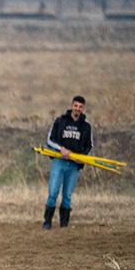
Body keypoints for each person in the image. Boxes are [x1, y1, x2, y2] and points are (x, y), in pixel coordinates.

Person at [42, 95, 93, 230]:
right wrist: (61, 149)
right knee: (53, 192)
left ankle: (64, 224)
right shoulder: (60, 121)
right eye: (75, 106)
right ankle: (47, 222)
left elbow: (89, 146)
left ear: (83, 109)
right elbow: (49, 140)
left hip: (75, 165)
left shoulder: (86, 126)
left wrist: (81, 157)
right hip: (59, 161)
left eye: (80, 107)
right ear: (72, 106)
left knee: (67, 196)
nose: (77, 109)